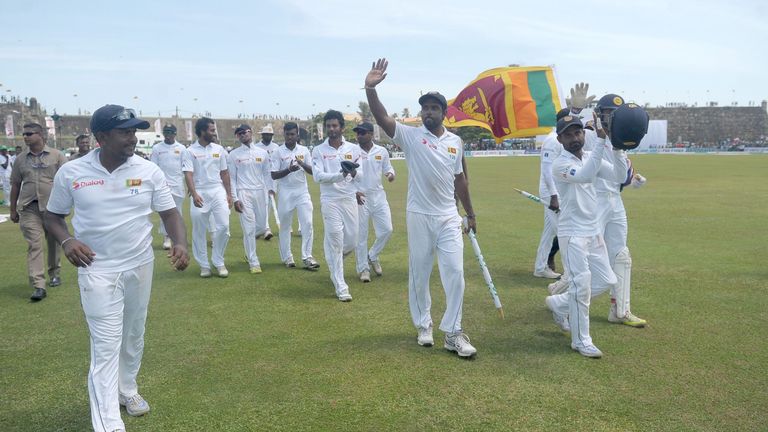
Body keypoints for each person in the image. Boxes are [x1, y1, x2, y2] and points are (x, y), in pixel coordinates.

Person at [44, 104, 189, 431]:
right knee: (106, 347)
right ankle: (109, 424)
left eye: (134, 131)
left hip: (140, 265)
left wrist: (180, 243)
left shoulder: (149, 171)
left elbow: (169, 213)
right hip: (97, 269)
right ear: (101, 137)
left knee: (133, 335)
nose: (132, 138)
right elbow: (52, 217)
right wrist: (67, 242)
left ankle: (128, 390)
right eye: (125, 132)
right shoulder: (72, 172)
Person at [365, 58, 478, 358]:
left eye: (433, 108)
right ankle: (423, 325)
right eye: (424, 108)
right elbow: (382, 118)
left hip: (448, 217)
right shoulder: (412, 136)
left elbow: (461, 181)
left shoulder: (456, 142)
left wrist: (470, 213)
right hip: (419, 215)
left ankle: (453, 332)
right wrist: (370, 89)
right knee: (420, 273)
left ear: (443, 113)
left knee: (455, 273)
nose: (428, 112)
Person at [544, 113, 628, 358]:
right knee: (581, 285)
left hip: (593, 232)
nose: (574, 138)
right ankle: (581, 341)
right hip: (572, 234)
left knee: (607, 280)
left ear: (583, 133)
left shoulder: (592, 156)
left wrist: (618, 148)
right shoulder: (560, 164)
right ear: (559, 139)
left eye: (578, 132)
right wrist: (602, 142)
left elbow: (620, 177)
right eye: (568, 134)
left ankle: (559, 304)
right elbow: (584, 176)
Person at [592, 94, 647, 327]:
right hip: (592, 201)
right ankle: (561, 295)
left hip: (614, 201)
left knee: (621, 255)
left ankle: (620, 310)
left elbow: (622, 175)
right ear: (599, 113)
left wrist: (633, 181)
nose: (612, 117)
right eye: (608, 113)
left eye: (615, 114)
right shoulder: (586, 133)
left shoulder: (621, 136)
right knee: (587, 257)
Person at [9, 123, 68, 300]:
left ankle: (54, 273)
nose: (25, 137)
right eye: (24, 134)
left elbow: (66, 182)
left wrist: (65, 205)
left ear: (41, 134)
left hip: (52, 208)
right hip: (29, 208)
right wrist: (13, 209)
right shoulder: (20, 159)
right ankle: (39, 285)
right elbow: (15, 185)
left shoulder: (57, 156)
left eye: (29, 134)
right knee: (34, 245)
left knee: (54, 243)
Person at [311, 110, 363, 301]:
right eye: (328, 126)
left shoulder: (353, 149)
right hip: (330, 199)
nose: (331, 129)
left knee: (352, 241)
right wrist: (340, 175)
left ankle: (333, 258)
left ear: (342, 127)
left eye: (335, 126)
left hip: (348, 198)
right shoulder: (318, 150)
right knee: (335, 240)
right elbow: (318, 177)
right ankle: (341, 287)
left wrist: (353, 173)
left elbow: (362, 175)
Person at [183, 117, 232, 278]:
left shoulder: (219, 149)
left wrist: (229, 194)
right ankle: (204, 265)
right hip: (200, 191)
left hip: (217, 190)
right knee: (199, 230)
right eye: (211, 130)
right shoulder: (189, 151)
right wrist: (194, 193)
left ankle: (218, 261)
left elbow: (224, 173)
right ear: (202, 131)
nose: (214, 133)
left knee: (224, 226)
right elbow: (188, 174)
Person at [270, 122, 319, 270]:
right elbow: (273, 175)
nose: (290, 137)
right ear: (284, 134)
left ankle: (307, 256)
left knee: (308, 223)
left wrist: (302, 164)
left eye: (292, 134)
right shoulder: (278, 152)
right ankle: (287, 257)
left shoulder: (304, 150)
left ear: (297, 135)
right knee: (285, 226)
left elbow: (313, 172)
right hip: (285, 191)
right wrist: (289, 170)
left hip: (302, 191)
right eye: (287, 134)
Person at [352, 121, 395, 283]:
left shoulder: (381, 151)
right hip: (360, 197)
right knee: (361, 235)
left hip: (378, 195)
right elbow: (347, 173)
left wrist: (390, 174)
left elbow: (388, 168)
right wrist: (354, 191)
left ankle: (373, 255)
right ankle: (363, 269)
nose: (359, 135)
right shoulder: (353, 151)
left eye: (362, 133)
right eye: (357, 133)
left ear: (370, 134)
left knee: (387, 230)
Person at [533, 108, 572, 280]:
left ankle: (541, 267)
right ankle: (572, 272)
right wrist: (554, 196)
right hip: (551, 192)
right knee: (564, 231)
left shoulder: (561, 139)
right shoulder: (552, 140)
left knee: (549, 232)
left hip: (556, 191)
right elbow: (546, 170)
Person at [228, 124, 272, 274]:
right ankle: (254, 261)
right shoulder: (233, 155)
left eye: (244, 132)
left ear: (251, 133)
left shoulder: (262, 153)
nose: (242, 135)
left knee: (260, 227)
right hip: (243, 192)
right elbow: (232, 179)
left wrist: (271, 188)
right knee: (249, 228)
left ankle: (248, 251)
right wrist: (235, 198)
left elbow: (267, 173)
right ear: (237, 137)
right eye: (239, 134)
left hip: (260, 192)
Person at [150, 124, 187, 250]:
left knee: (178, 212)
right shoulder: (157, 148)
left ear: (175, 133)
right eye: (166, 132)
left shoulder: (181, 148)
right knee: (165, 212)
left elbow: (185, 167)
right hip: (163, 186)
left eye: (171, 132)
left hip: (177, 185)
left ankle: (177, 238)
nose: (168, 134)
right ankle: (167, 237)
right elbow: (153, 167)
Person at [254, 124, 278, 241]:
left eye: (270, 134)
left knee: (269, 203)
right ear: (262, 135)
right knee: (260, 205)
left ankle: (265, 228)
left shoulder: (276, 147)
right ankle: (263, 228)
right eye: (266, 134)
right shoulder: (256, 147)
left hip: (272, 178)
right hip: (259, 179)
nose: (268, 136)